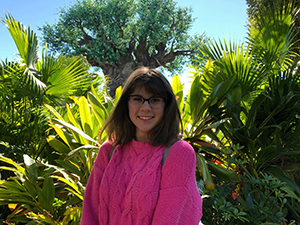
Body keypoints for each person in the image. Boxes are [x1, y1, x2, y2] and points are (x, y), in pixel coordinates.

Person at [81, 67, 203, 225]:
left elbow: (168, 219)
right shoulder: (109, 150)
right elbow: (90, 212)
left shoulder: (179, 153)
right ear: (127, 104)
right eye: (137, 99)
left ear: (167, 105)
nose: (146, 107)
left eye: (155, 100)